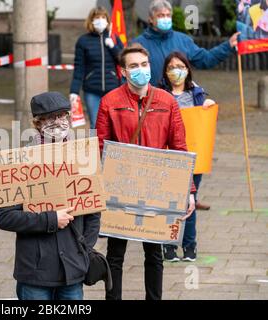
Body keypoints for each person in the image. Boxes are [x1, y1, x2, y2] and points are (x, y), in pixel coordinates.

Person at [96, 44, 196, 300]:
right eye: (133, 66)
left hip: (156, 188)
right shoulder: (110, 102)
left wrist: (189, 191)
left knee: (154, 254)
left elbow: (179, 147)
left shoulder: (166, 101)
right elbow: (99, 146)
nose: (140, 70)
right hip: (120, 188)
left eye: (144, 64)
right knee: (115, 254)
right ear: (123, 71)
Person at [0, 92, 101, 300]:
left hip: (72, 271)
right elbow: (5, 217)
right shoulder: (18, 162)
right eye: (51, 117)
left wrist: (83, 250)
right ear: (37, 122)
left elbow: (94, 212)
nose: (59, 122)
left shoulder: (83, 158)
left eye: (63, 115)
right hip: (35, 271)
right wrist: (50, 219)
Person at [159, 51, 216, 262]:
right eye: (172, 67)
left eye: (181, 66)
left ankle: (190, 246)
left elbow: (203, 123)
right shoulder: (159, 94)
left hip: (193, 158)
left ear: (187, 69)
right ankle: (168, 244)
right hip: (168, 156)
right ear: (165, 72)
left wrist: (207, 106)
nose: (177, 71)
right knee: (170, 203)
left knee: (190, 201)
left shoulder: (197, 94)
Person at [133, 0, 240, 87]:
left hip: (181, 101)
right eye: (161, 16)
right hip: (152, 104)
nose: (165, 19)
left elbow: (205, 60)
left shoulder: (183, 40)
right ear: (151, 19)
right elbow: (130, 77)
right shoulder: (138, 44)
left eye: (168, 15)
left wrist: (228, 45)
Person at [70, 6, 123, 129]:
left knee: (114, 124)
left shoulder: (114, 38)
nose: (100, 20)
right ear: (91, 21)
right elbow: (79, 67)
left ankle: (112, 148)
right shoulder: (83, 41)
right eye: (97, 17)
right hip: (92, 90)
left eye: (103, 17)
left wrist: (112, 46)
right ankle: (96, 149)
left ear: (108, 20)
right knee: (95, 124)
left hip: (113, 89)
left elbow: (123, 61)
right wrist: (74, 91)